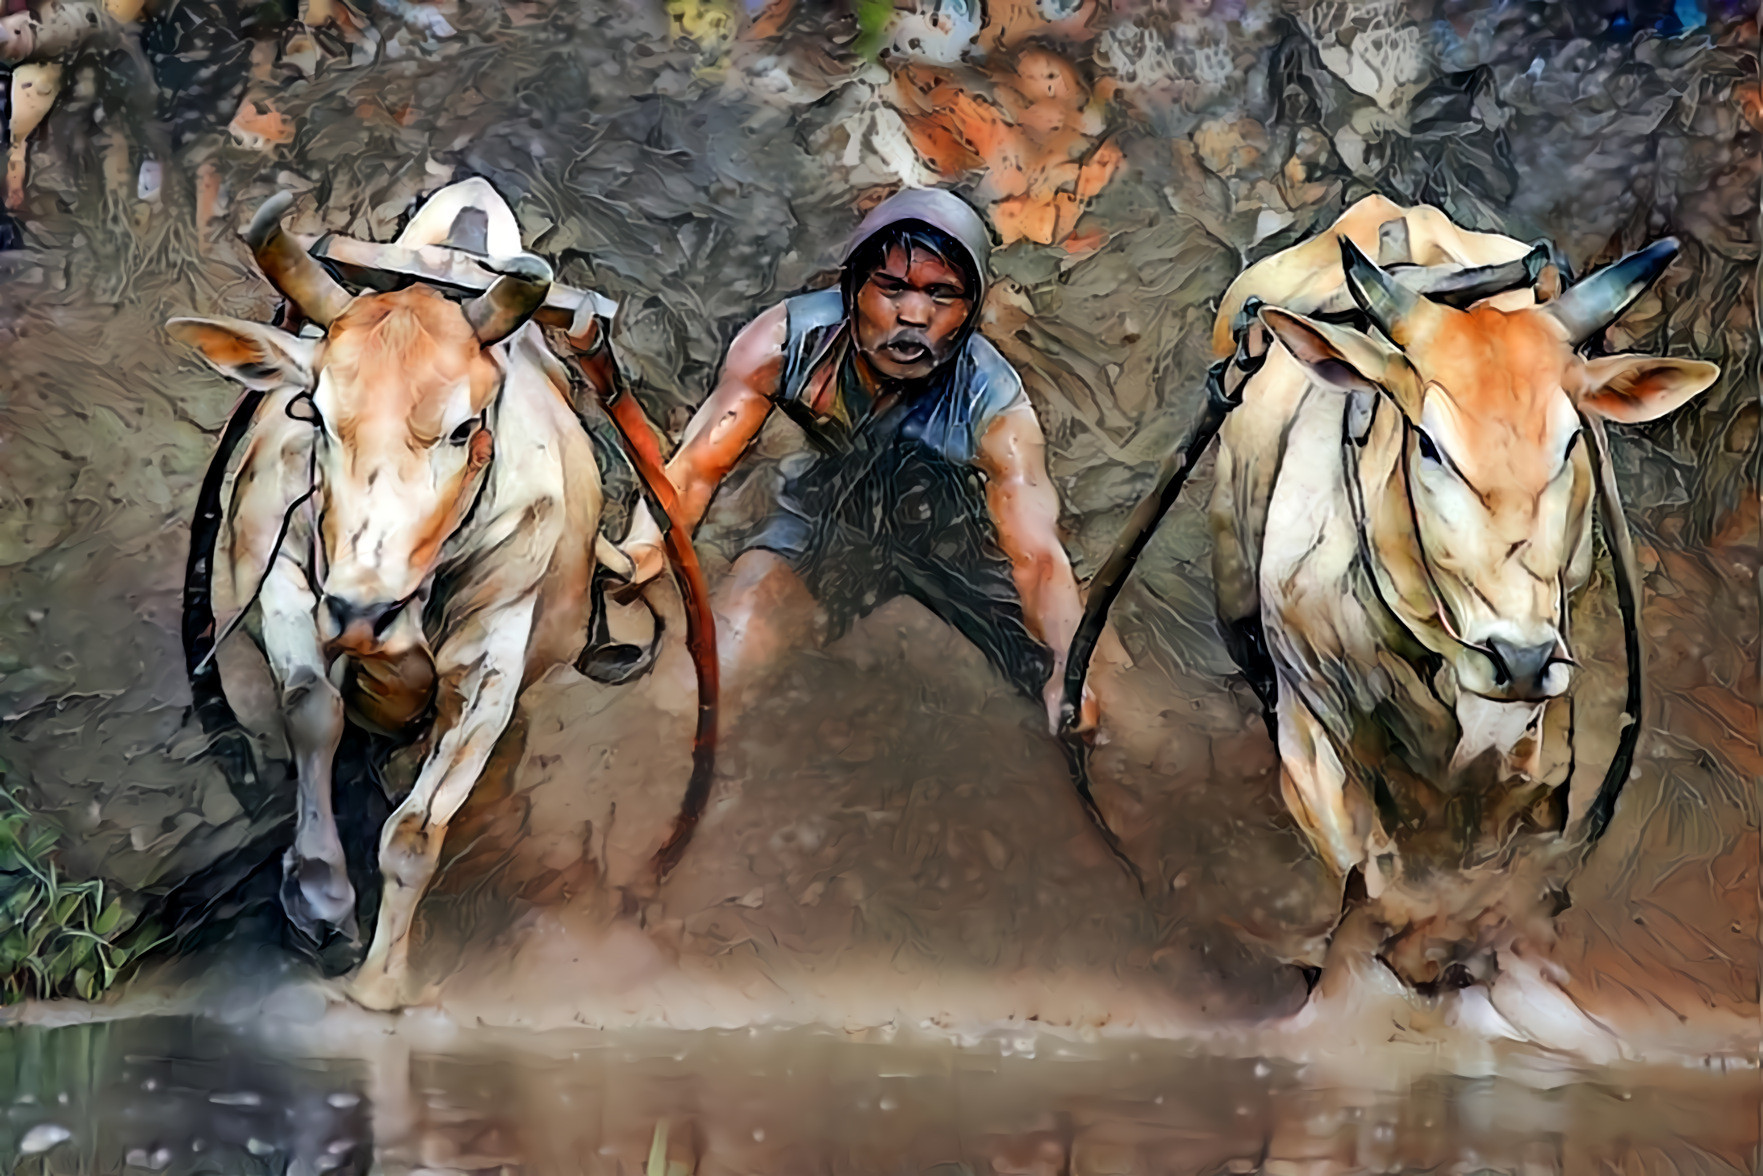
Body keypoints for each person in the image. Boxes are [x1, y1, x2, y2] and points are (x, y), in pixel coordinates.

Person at [619, 187, 1097, 736]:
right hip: (830, 516)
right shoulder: (786, 343)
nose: (913, 314)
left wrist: (1067, 666)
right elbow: (696, 469)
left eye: (942, 294)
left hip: (958, 541)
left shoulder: (993, 403)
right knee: (705, 680)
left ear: (969, 311)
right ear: (852, 289)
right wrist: (646, 544)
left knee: (1085, 707)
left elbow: (1037, 557)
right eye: (891, 287)